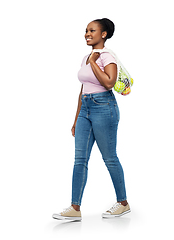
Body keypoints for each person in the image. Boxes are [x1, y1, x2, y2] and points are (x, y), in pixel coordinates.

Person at [52, 18, 130, 221]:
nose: (87, 33)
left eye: (92, 30)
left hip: (104, 108)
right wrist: (76, 118)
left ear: (103, 34)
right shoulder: (85, 57)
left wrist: (94, 62)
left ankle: (123, 203)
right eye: (86, 30)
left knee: (109, 158)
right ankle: (74, 208)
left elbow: (109, 82)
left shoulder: (106, 56)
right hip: (85, 109)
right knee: (80, 160)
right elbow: (83, 89)